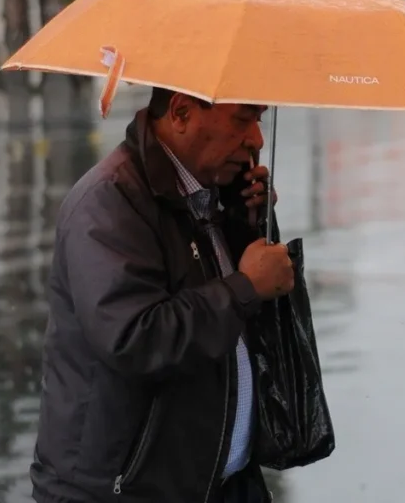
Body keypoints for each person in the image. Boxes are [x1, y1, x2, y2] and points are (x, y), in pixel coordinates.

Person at [31, 88, 295, 503]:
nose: (256, 140)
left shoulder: (208, 194)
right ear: (181, 113)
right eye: (243, 120)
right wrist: (245, 287)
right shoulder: (109, 202)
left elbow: (238, 324)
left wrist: (248, 226)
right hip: (123, 492)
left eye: (260, 119)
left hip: (219, 485)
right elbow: (136, 337)